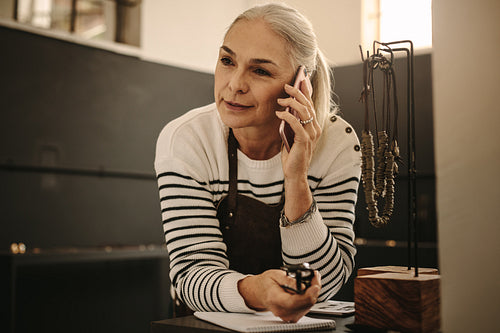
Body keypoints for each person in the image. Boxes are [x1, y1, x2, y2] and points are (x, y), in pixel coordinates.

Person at [154, 3, 361, 323]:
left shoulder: (337, 144)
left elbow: (328, 283)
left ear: (301, 84)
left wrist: (297, 179)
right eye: (227, 61)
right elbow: (190, 276)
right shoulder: (187, 139)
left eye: (260, 70)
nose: (234, 84)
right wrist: (256, 291)